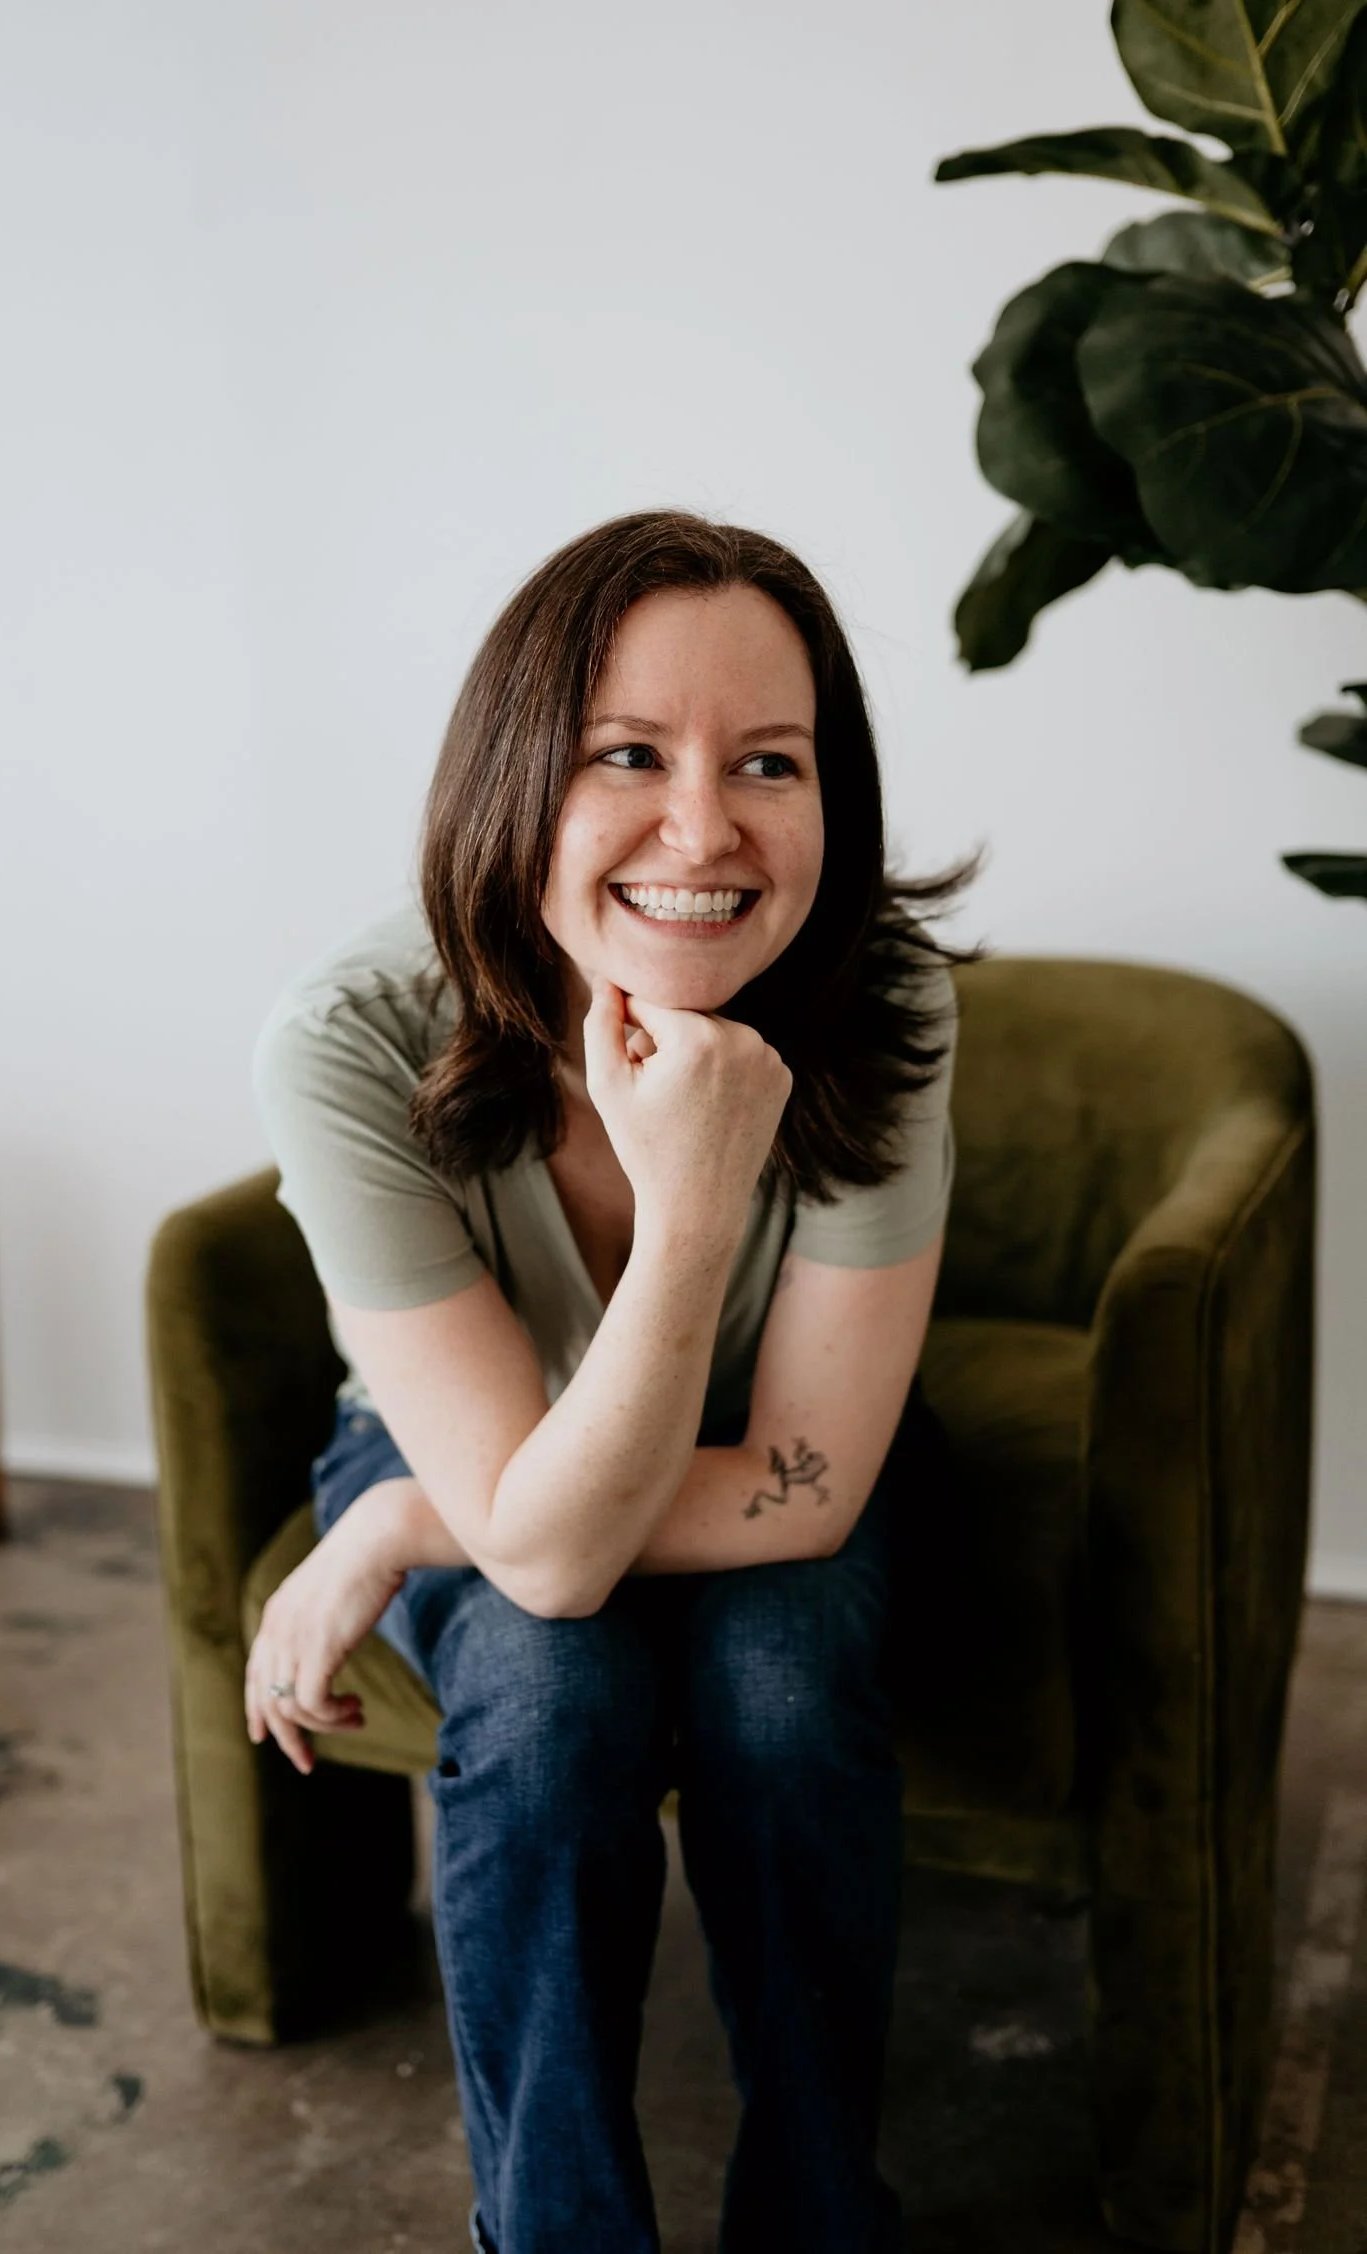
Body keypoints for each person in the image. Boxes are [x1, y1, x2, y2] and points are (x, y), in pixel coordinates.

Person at [246, 510, 983, 2253]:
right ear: (517, 777)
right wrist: (491, 1496)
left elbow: (802, 1467)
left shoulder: (880, 998)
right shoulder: (345, 1040)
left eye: (771, 762)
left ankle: (819, 2217)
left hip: (756, 1465)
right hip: (488, 1460)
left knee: (786, 1689)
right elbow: (556, 1568)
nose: (706, 827)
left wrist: (427, 1526)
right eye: (628, 755)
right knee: (545, 1679)